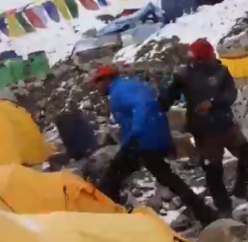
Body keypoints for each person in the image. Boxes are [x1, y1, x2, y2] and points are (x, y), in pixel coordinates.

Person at [89, 66, 216, 226]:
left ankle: (116, 224)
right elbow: (154, 108)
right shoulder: (130, 85)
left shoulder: (120, 91)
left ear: (106, 79)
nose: (96, 87)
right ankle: (205, 214)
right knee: (169, 178)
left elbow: (142, 105)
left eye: (97, 82)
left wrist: (137, 132)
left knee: (109, 181)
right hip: (151, 138)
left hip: (141, 141)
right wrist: (165, 138)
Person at [159, 39, 248, 217]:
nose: (196, 61)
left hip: (226, 124)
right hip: (203, 130)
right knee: (213, 169)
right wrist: (160, 101)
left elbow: (231, 94)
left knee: (247, 155)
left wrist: (213, 103)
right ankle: (223, 206)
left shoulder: (221, 70)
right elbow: (168, 98)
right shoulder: (183, 75)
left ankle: (241, 189)